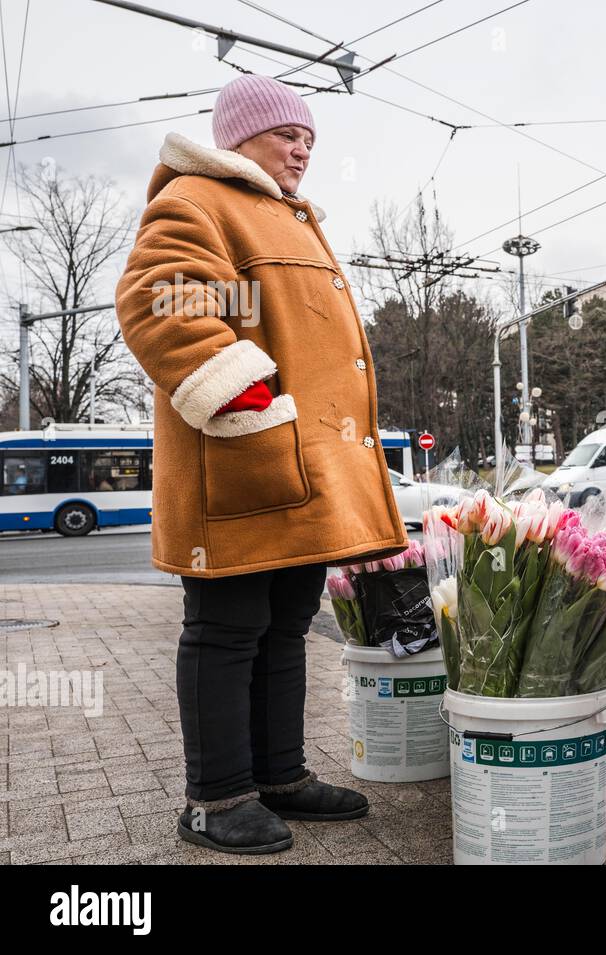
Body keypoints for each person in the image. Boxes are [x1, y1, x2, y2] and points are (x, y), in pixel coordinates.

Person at [115, 75, 409, 855]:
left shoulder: (285, 216)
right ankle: (215, 800)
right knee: (226, 631)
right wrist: (246, 399)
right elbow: (158, 300)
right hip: (241, 468)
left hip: (301, 475)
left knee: (284, 629)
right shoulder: (198, 199)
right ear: (239, 136)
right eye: (287, 134)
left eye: (310, 138)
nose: (303, 148)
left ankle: (278, 775)